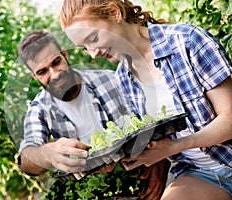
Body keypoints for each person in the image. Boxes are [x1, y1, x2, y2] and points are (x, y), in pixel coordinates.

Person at [60, 0, 232, 200]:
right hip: (201, 173)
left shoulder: (188, 41)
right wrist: (113, 157)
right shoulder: (124, 77)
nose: (93, 53)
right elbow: (157, 136)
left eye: (93, 38)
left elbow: (229, 118)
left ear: (115, 13)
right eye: (84, 48)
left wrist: (177, 146)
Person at [17, 30, 170, 199]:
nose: (54, 74)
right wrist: (47, 154)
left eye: (56, 62)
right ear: (34, 76)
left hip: (141, 175)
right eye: (42, 72)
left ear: (64, 55)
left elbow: (151, 120)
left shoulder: (110, 80)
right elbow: (27, 157)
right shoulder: (39, 109)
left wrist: (159, 162)